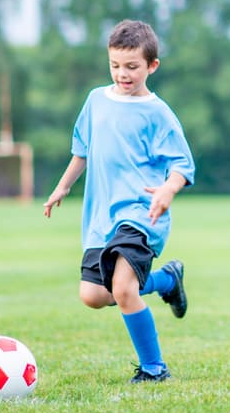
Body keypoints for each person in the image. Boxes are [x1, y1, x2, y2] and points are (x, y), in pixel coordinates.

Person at [43, 19, 195, 383]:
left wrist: (167, 190)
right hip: (100, 218)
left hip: (142, 215)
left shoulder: (158, 113)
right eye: (115, 65)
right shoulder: (96, 100)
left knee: (123, 288)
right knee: (94, 295)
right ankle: (166, 281)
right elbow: (82, 150)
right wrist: (62, 187)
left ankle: (155, 369)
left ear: (151, 66)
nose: (122, 74)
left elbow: (181, 165)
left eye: (132, 67)